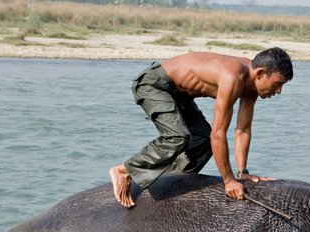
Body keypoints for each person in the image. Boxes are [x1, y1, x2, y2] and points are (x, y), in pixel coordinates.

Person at [109, 48, 293, 208]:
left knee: (202, 141)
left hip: (181, 95)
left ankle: (169, 179)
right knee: (178, 137)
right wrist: (228, 180)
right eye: (277, 84)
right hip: (156, 84)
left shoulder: (252, 86)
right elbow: (218, 133)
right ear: (260, 74)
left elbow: (242, 130)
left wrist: (242, 173)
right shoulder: (233, 78)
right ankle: (124, 170)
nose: (278, 91)